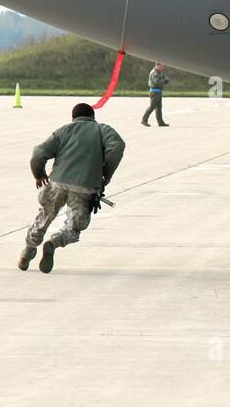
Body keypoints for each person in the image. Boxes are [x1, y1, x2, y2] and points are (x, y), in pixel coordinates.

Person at [19, 103, 126, 274]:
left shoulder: (63, 131)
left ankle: (28, 251)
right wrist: (106, 172)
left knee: (44, 216)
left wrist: (39, 174)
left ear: (73, 118)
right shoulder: (102, 130)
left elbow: (38, 154)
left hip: (57, 183)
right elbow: (117, 146)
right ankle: (54, 242)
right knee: (74, 227)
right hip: (85, 187)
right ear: (93, 117)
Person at [142, 63, 170, 127]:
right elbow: (157, 83)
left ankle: (160, 122)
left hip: (158, 92)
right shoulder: (154, 73)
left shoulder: (159, 72)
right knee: (152, 107)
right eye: (162, 65)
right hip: (155, 92)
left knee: (159, 108)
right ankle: (144, 120)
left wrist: (163, 80)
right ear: (158, 65)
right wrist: (163, 80)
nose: (163, 67)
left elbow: (166, 80)